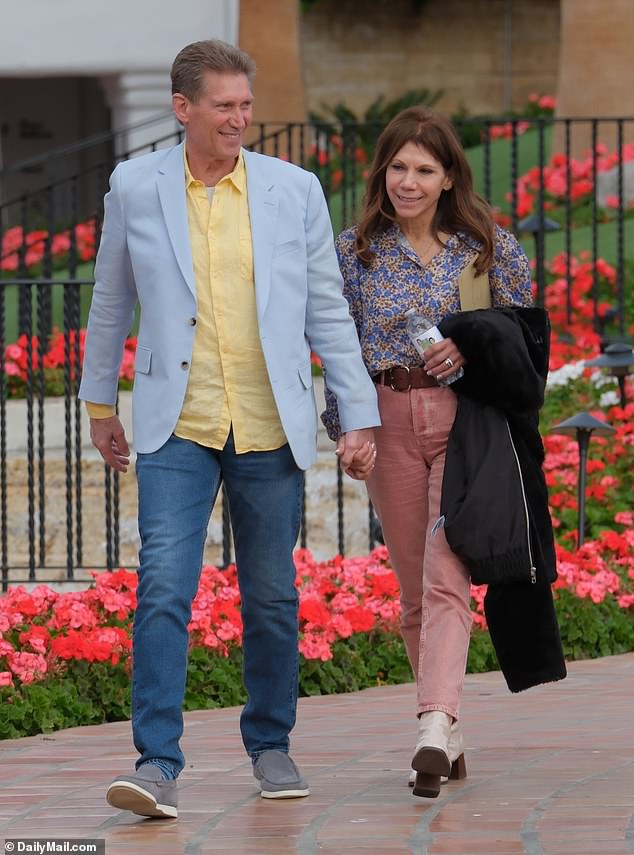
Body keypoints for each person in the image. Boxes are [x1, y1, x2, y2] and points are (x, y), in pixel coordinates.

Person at [78, 38, 380, 818]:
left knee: (273, 595)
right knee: (163, 590)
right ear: (184, 109)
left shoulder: (294, 189)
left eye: (246, 105)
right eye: (225, 106)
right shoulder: (134, 186)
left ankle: (271, 742)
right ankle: (155, 762)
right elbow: (110, 296)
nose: (240, 119)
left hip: (268, 422)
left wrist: (356, 416)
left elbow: (327, 310)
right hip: (176, 423)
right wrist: (99, 402)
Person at [322, 106, 565, 799]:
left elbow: (525, 343)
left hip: (466, 425)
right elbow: (338, 351)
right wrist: (349, 428)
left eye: (424, 168)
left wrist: (476, 340)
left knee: (444, 569)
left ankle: (433, 720)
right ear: (383, 172)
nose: (408, 180)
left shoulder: (487, 248)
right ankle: (447, 734)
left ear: (449, 175)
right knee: (412, 593)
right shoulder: (354, 252)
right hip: (387, 418)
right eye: (398, 166)